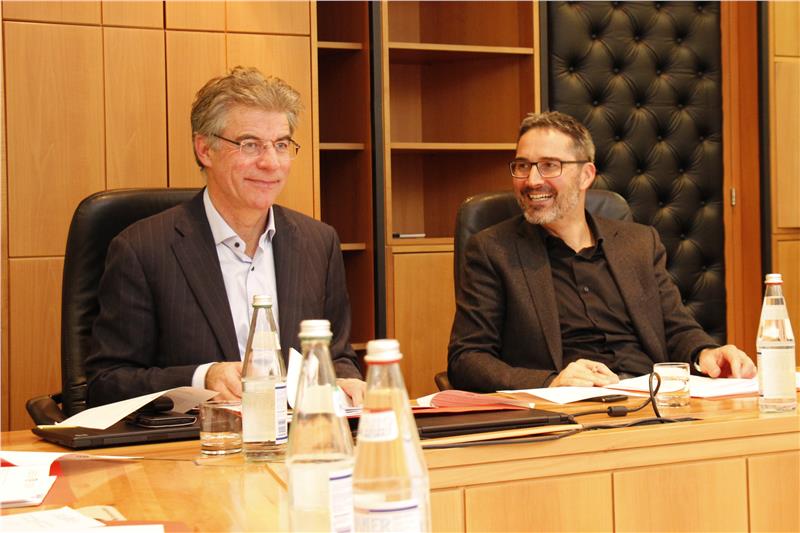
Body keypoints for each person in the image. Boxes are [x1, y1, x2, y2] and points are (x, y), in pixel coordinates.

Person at [86, 67, 365, 405]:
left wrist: (346, 380)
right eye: (250, 145)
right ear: (205, 149)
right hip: (200, 435)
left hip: (295, 432)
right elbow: (107, 383)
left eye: (281, 144)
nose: (271, 163)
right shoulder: (142, 250)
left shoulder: (318, 243)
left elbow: (336, 355)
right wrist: (203, 377)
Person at [447, 111, 756, 391]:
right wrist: (551, 381)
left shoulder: (638, 243)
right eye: (522, 166)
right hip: (567, 413)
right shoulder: (493, 250)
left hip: (650, 400)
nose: (532, 180)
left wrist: (706, 352)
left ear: (586, 175)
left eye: (549, 166)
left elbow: (675, 327)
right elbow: (467, 359)